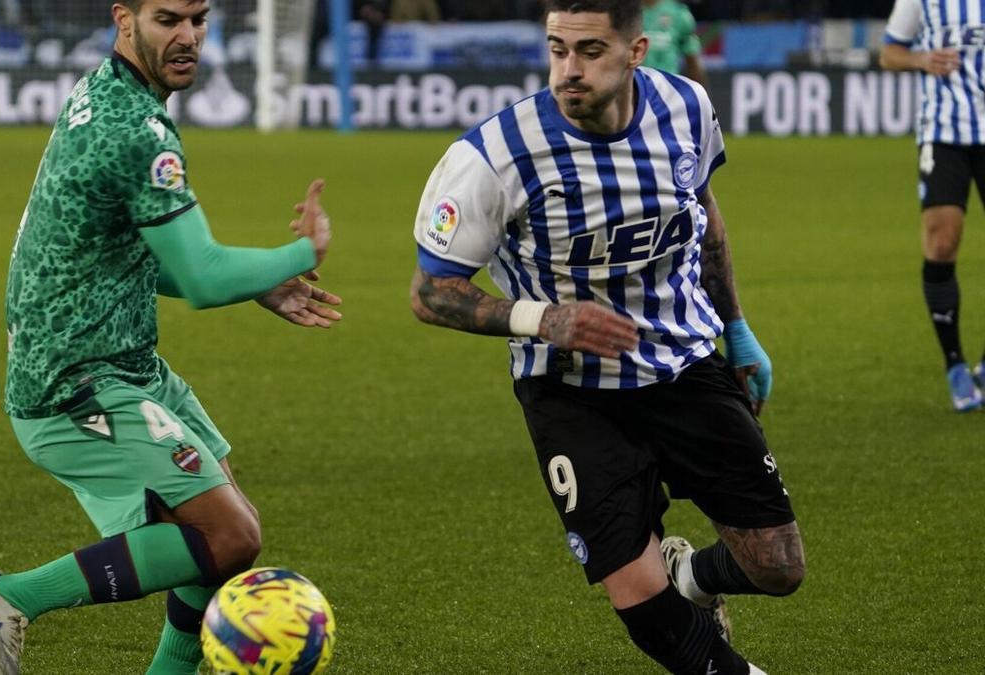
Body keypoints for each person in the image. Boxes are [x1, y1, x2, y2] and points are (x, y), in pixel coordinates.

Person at [0, 2, 342, 674]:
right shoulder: (134, 128)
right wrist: (298, 253)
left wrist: (261, 285)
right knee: (227, 535)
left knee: (222, 527)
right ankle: (9, 596)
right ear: (123, 18)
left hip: (118, 362)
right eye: (168, 18)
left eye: (199, 18)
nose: (188, 36)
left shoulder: (107, 93)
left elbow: (114, 254)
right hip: (72, 380)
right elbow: (203, 273)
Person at [408, 1, 804, 672]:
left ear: (636, 51)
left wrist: (736, 328)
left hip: (682, 363)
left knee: (778, 565)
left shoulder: (686, 108)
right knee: (642, 604)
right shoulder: (494, 155)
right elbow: (429, 291)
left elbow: (702, 213)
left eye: (590, 51)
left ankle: (694, 577)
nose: (569, 69)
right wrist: (541, 318)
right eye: (557, 49)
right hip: (570, 391)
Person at [881, 0, 985, 412]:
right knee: (942, 243)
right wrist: (923, 58)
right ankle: (955, 365)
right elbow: (889, 53)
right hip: (943, 132)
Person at [641, 0, 708, 88]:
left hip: (668, 91)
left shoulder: (679, 13)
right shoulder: (624, 11)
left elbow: (693, 60)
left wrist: (701, 97)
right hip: (635, 91)